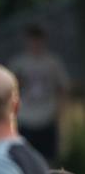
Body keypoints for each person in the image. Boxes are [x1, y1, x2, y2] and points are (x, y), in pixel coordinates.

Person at [9, 24, 69, 164]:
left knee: (49, 160)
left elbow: (62, 89)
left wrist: (60, 112)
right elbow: (9, 90)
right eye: (32, 40)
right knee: (26, 161)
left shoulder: (52, 62)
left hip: (47, 116)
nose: (35, 44)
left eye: (38, 40)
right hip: (25, 118)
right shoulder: (18, 63)